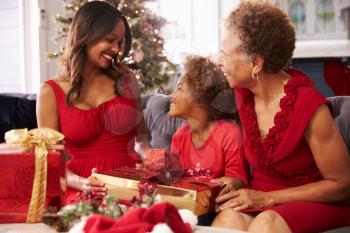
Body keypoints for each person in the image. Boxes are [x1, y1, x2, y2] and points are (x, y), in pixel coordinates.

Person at [212, 1, 350, 233]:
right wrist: (236, 181)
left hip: (314, 201)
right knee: (228, 220)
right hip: (259, 200)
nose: (218, 62)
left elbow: (342, 184)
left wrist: (268, 199)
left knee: (267, 223)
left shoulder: (307, 103)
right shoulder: (242, 93)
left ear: (256, 63)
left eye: (225, 56)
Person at [36, 1, 150, 204]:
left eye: (120, 42)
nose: (116, 49)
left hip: (128, 183)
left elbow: (141, 139)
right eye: (110, 40)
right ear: (86, 35)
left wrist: (150, 155)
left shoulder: (126, 80)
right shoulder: (49, 93)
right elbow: (52, 163)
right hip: (81, 187)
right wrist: (82, 183)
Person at [169, 54, 247, 189]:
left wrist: (231, 183)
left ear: (200, 98)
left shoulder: (229, 134)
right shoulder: (179, 137)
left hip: (219, 205)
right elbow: (174, 181)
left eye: (180, 88)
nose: (172, 95)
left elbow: (237, 181)